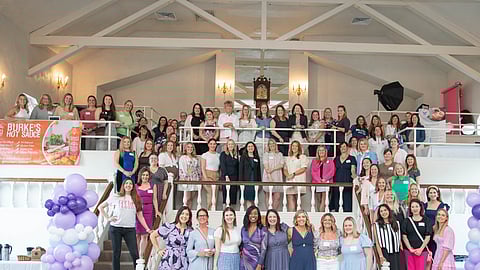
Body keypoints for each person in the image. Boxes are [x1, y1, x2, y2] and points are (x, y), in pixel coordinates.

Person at [98, 179, 151, 270]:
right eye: (126, 183)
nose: (128, 185)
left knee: (134, 253)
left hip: (130, 229)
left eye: (130, 184)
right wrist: (108, 218)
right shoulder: (116, 196)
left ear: (133, 186)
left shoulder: (137, 199)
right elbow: (100, 207)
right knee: (116, 253)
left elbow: (140, 216)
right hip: (116, 228)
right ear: (123, 185)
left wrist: (147, 229)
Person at [402, 199, 433, 270]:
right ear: (410, 209)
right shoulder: (406, 221)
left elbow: (428, 236)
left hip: (422, 250)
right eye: (412, 207)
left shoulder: (426, 220)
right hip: (409, 251)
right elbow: (404, 236)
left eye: (416, 206)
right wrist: (410, 248)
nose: (415, 209)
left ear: (420, 207)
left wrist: (421, 249)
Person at [373, 204, 402, 270]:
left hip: (396, 252)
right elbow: (377, 242)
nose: (383, 212)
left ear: (389, 211)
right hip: (385, 253)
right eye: (381, 211)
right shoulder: (376, 225)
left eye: (385, 210)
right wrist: (381, 256)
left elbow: (399, 239)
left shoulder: (396, 223)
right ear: (379, 214)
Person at [424, 186, 450, 259]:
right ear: (428, 195)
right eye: (430, 193)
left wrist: (436, 228)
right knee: (427, 254)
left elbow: (444, 219)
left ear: (438, 194)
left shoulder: (443, 205)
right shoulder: (424, 205)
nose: (432, 194)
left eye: (434, 192)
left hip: (437, 231)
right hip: (426, 232)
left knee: (436, 252)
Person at [135, 168, 155, 259]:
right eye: (143, 175)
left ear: (149, 176)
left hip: (149, 210)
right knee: (137, 234)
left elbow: (154, 199)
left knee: (145, 234)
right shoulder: (136, 186)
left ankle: (141, 255)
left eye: (147, 175)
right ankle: (136, 254)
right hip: (138, 210)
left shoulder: (152, 185)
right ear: (140, 176)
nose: (145, 177)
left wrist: (157, 210)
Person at [284, 141, 309, 211]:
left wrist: (293, 174)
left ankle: (297, 216)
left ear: (299, 148)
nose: (294, 147)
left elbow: (303, 168)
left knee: (297, 199)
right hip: (289, 180)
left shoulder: (302, 157)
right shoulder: (288, 158)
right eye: (293, 146)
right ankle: (291, 216)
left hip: (298, 179)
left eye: (296, 146)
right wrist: (288, 175)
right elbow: (285, 169)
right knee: (290, 197)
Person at [331, 142, 356, 212]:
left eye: (344, 146)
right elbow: (333, 171)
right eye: (341, 147)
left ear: (347, 148)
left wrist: (354, 177)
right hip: (337, 182)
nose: (343, 148)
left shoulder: (352, 158)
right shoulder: (336, 159)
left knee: (347, 200)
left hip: (347, 182)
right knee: (337, 200)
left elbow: (353, 170)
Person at [240, 206, 266, 270]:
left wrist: (260, 264)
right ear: (247, 215)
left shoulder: (263, 230)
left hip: (256, 262)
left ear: (258, 215)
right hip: (244, 262)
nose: (253, 215)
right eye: (250, 213)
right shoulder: (244, 229)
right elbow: (242, 244)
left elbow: (264, 249)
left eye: (255, 213)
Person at [311, 146, 335, 212]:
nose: (321, 152)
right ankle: (319, 212)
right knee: (319, 199)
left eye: (323, 150)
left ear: (325, 152)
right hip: (317, 182)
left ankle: (321, 214)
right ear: (317, 152)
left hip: (326, 182)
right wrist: (319, 180)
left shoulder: (330, 161)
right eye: (320, 150)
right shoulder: (314, 161)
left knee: (324, 199)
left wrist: (325, 179)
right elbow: (313, 172)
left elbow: (332, 171)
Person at [262, 139, 284, 210]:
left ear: (276, 145)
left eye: (273, 144)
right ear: (268, 146)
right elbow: (266, 166)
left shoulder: (280, 154)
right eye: (270, 144)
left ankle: (274, 211)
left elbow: (281, 164)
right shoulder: (266, 154)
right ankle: (269, 211)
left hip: (277, 176)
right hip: (268, 176)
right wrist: (270, 177)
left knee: (277, 196)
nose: (272, 145)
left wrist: (273, 169)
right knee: (268, 194)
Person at [178, 142, 202, 209]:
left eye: (191, 147)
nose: (190, 148)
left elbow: (198, 168)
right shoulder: (183, 157)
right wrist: (184, 178)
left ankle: (190, 212)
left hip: (195, 179)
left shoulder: (195, 158)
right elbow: (181, 168)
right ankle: (185, 211)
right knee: (187, 198)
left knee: (191, 198)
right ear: (185, 148)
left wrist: (200, 178)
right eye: (188, 147)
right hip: (187, 179)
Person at [239, 142, 262, 207]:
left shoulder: (256, 157)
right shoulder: (243, 157)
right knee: (247, 198)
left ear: (254, 148)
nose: (250, 148)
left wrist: (260, 182)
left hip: (254, 180)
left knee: (254, 198)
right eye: (249, 146)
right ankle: (249, 211)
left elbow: (258, 171)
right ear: (246, 148)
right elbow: (241, 170)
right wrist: (240, 182)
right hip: (246, 181)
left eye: (252, 146)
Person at [201, 139, 220, 210]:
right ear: (208, 145)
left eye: (214, 144)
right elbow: (203, 168)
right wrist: (206, 178)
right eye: (211, 144)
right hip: (207, 174)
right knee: (210, 195)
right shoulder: (205, 155)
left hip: (216, 175)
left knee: (215, 196)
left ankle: (214, 211)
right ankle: (209, 211)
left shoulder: (218, 155)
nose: (212, 145)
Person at [220, 139, 240, 207]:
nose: (230, 145)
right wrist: (226, 176)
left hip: (234, 178)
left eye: (232, 144)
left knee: (232, 196)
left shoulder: (236, 154)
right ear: (227, 146)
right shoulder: (223, 154)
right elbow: (223, 166)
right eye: (229, 144)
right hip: (226, 177)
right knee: (226, 195)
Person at [149, 154, 169, 218]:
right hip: (149, 190)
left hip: (159, 190)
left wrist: (164, 193)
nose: (153, 160)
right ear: (149, 160)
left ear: (158, 161)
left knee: (159, 206)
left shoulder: (162, 170)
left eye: (155, 158)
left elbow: (166, 182)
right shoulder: (145, 169)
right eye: (151, 158)